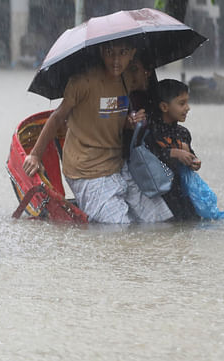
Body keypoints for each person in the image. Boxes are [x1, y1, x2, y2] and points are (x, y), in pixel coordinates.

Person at [22, 39, 172, 224]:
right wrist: (35, 155)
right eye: (110, 52)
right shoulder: (82, 82)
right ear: (102, 52)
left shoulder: (126, 79)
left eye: (123, 53)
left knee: (159, 221)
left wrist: (130, 122)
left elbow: (110, 115)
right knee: (119, 228)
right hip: (86, 169)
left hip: (117, 163)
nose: (116, 60)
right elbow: (57, 117)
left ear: (132, 54)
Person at [145, 79, 200, 221]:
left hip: (180, 190)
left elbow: (190, 157)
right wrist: (173, 153)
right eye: (182, 103)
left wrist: (193, 160)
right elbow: (147, 157)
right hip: (158, 193)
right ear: (164, 107)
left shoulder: (183, 133)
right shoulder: (150, 131)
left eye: (187, 102)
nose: (187, 108)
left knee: (191, 222)